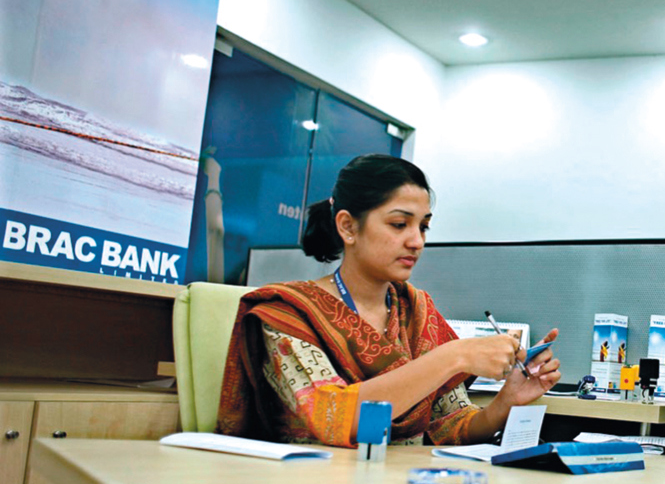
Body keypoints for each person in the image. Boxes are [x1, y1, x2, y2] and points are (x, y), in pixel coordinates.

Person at [216, 154, 561, 447]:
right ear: (348, 227)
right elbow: (333, 418)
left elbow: (451, 426)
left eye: (423, 227)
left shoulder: (416, 311)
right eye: (399, 224)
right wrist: (455, 356)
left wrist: (506, 402)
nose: (417, 241)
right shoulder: (288, 314)